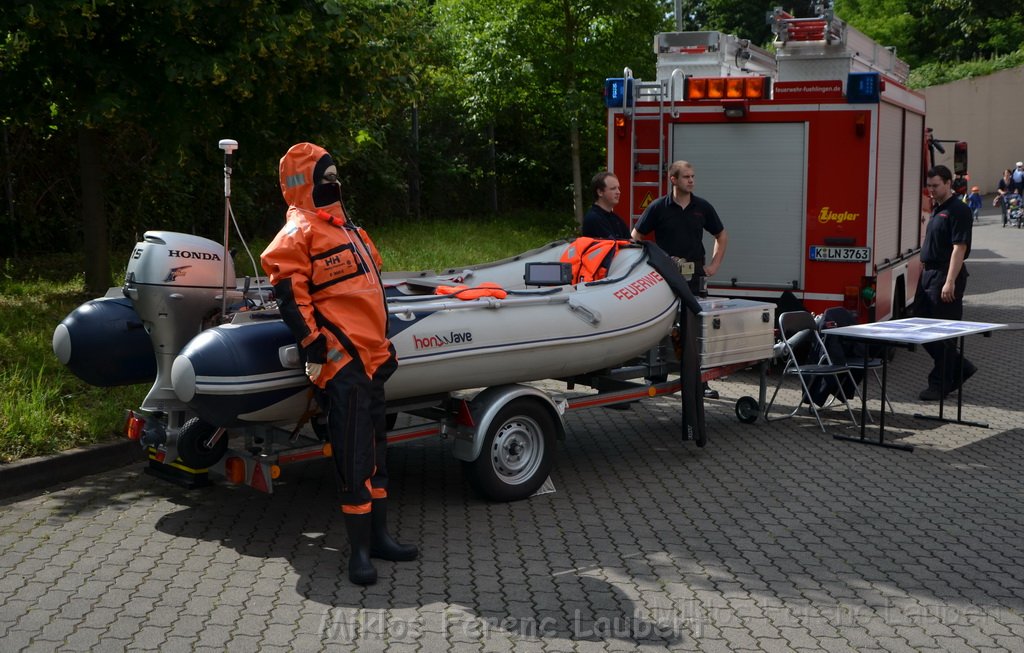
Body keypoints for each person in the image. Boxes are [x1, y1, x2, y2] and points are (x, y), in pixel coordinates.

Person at [260, 142, 417, 585]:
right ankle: (359, 553)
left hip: (372, 357)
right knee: (353, 457)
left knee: (378, 452)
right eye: (326, 178)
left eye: (336, 177)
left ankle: (381, 537)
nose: (336, 184)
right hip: (343, 362)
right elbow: (291, 296)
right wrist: (313, 345)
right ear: (305, 183)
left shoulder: (346, 228)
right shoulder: (298, 233)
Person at [631, 160, 728, 399]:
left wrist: (714, 265)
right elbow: (636, 236)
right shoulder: (658, 208)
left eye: (693, 176)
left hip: (694, 276)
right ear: (673, 180)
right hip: (664, 278)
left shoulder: (702, 207)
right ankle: (656, 378)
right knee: (662, 325)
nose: (691, 181)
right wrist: (651, 263)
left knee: (695, 330)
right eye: (686, 177)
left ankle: (699, 382)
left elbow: (721, 234)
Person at [915, 164, 976, 401]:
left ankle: (940, 384)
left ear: (948, 183)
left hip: (944, 276)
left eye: (935, 185)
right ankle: (961, 368)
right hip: (929, 275)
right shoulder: (938, 208)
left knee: (943, 332)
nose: (931, 190)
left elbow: (958, 248)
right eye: (928, 186)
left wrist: (949, 282)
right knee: (920, 326)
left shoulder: (958, 210)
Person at [581, 171, 630, 239]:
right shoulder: (593, 219)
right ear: (600, 192)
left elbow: (630, 243)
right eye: (613, 188)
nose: (618, 192)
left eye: (618, 188)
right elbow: (613, 246)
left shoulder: (617, 219)